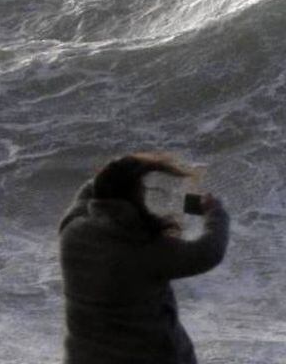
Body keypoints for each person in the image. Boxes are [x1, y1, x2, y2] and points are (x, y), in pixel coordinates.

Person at [58, 152, 229, 364]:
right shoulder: (144, 249)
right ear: (135, 198)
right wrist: (215, 213)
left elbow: (88, 193)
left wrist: (117, 172)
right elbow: (208, 252)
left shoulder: (72, 231)